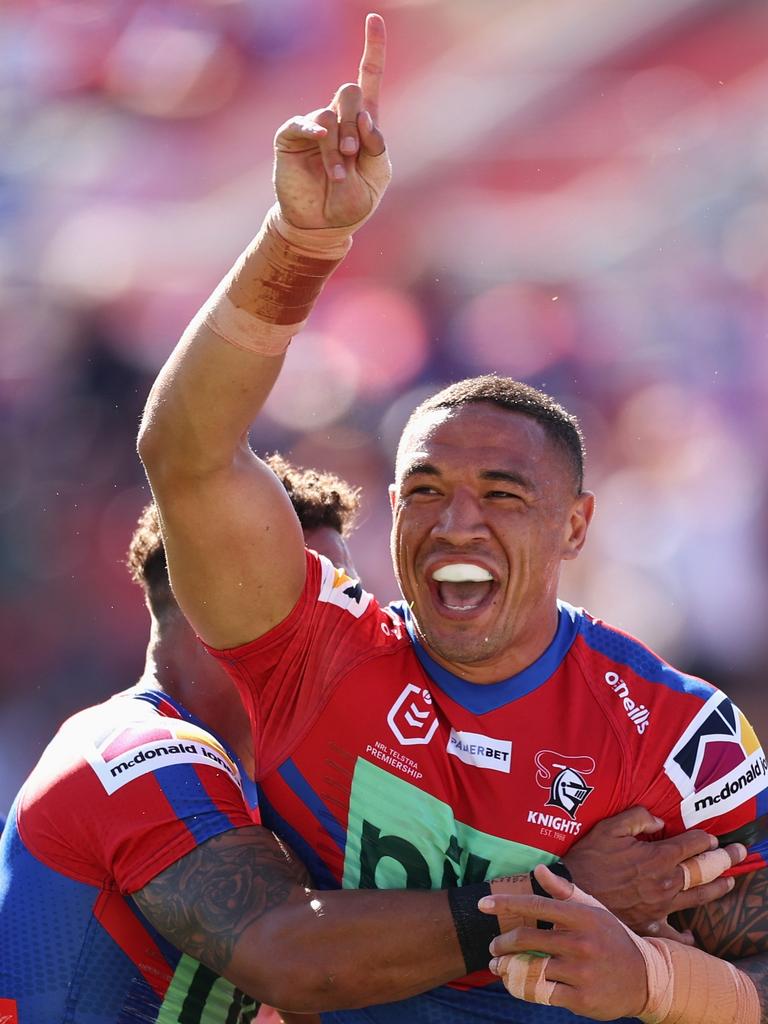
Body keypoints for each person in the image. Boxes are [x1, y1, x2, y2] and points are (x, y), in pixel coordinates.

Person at [137, 13, 768, 1024]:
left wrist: (657, 982)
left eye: (504, 496)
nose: (457, 523)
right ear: (390, 513)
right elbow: (188, 455)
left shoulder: (669, 736)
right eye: (425, 491)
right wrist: (300, 243)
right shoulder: (314, 653)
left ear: (576, 526)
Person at [1, 460, 721, 1024]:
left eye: (349, 596)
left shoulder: (273, 790)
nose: (345, 628)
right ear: (214, 599)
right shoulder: (132, 749)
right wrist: (560, 894)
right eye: (314, 600)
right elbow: (287, 953)